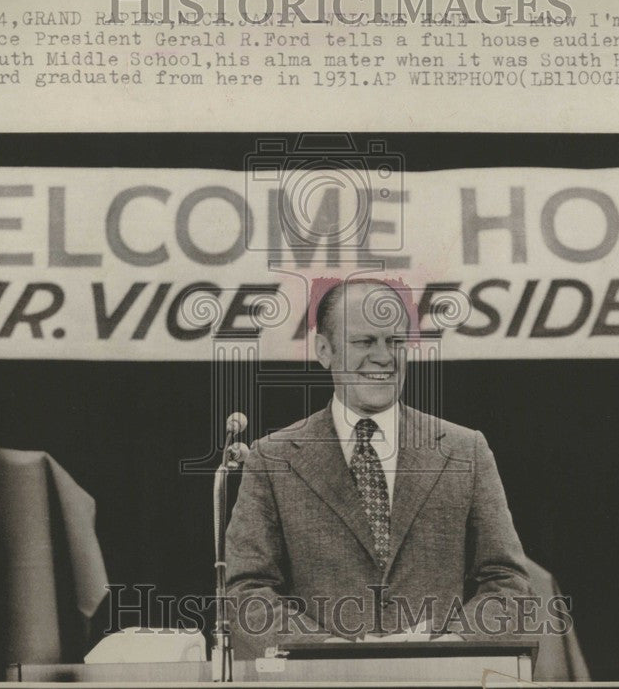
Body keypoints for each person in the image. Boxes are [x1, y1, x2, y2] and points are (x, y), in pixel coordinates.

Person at [225, 279, 530, 658]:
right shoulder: (272, 459)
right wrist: (332, 655)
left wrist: (451, 649)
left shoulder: (465, 450)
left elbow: (508, 585)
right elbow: (246, 593)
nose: (384, 357)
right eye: (365, 342)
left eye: (395, 342)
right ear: (325, 350)